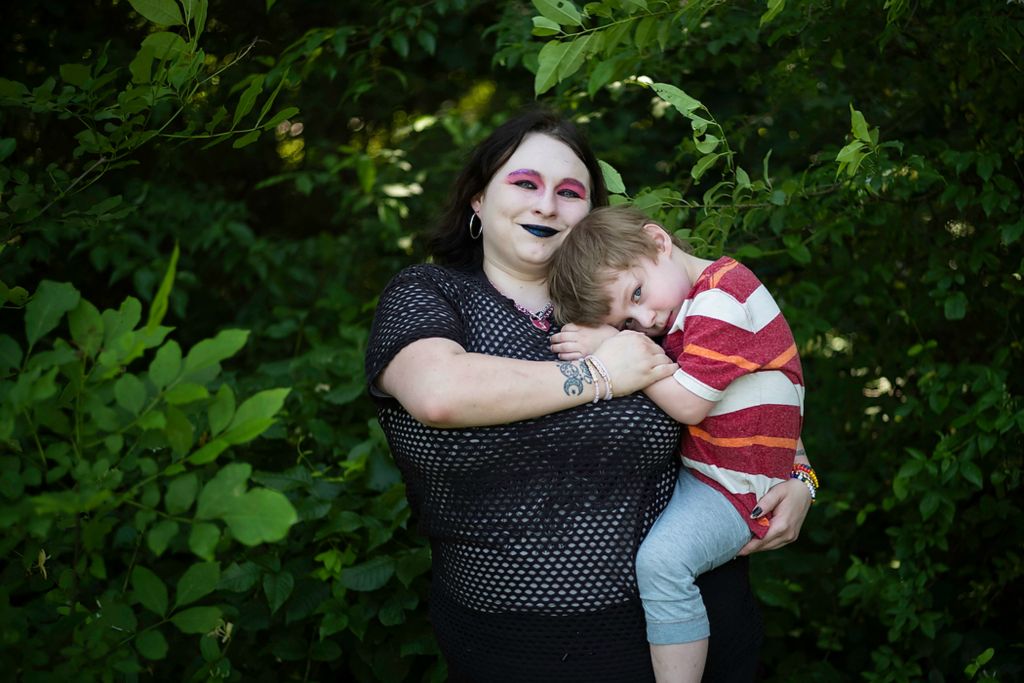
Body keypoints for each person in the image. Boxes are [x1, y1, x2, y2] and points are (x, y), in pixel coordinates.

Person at [365, 110, 814, 682]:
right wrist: (604, 373)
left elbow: (757, 395)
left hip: (694, 633)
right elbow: (438, 394)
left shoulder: (643, 308)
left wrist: (801, 480)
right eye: (525, 183)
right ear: (478, 198)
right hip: (514, 651)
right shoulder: (432, 295)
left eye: (569, 192)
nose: (547, 205)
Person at [547, 205, 817, 682]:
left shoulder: (721, 297)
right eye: (629, 322)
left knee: (663, 564)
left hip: (737, 486)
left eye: (636, 294)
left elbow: (689, 404)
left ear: (658, 241)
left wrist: (615, 348)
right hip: (715, 471)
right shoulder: (690, 305)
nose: (645, 318)